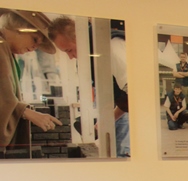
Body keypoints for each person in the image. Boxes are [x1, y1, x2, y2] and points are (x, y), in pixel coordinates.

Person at [49, 15, 130, 157]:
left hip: (137, 122)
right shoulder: (95, 51)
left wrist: (110, 118)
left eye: (69, 50)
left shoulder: (112, 47)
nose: (71, 57)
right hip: (121, 112)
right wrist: (106, 120)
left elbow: (134, 94)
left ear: (79, 37)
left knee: (121, 152)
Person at [0, 10, 62, 149]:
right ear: (16, 28)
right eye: (34, 39)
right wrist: (26, 112)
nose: (35, 47)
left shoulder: (7, 51)